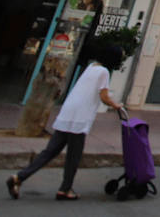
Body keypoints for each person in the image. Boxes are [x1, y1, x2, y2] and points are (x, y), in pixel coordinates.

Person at [7, 44, 125, 201]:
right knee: (73, 157)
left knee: (50, 152)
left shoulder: (91, 67)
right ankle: (65, 189)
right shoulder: (104, 72)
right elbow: (104, 97)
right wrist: (117, 106)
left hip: (67, 113)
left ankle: (19, 177)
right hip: (79, 118)